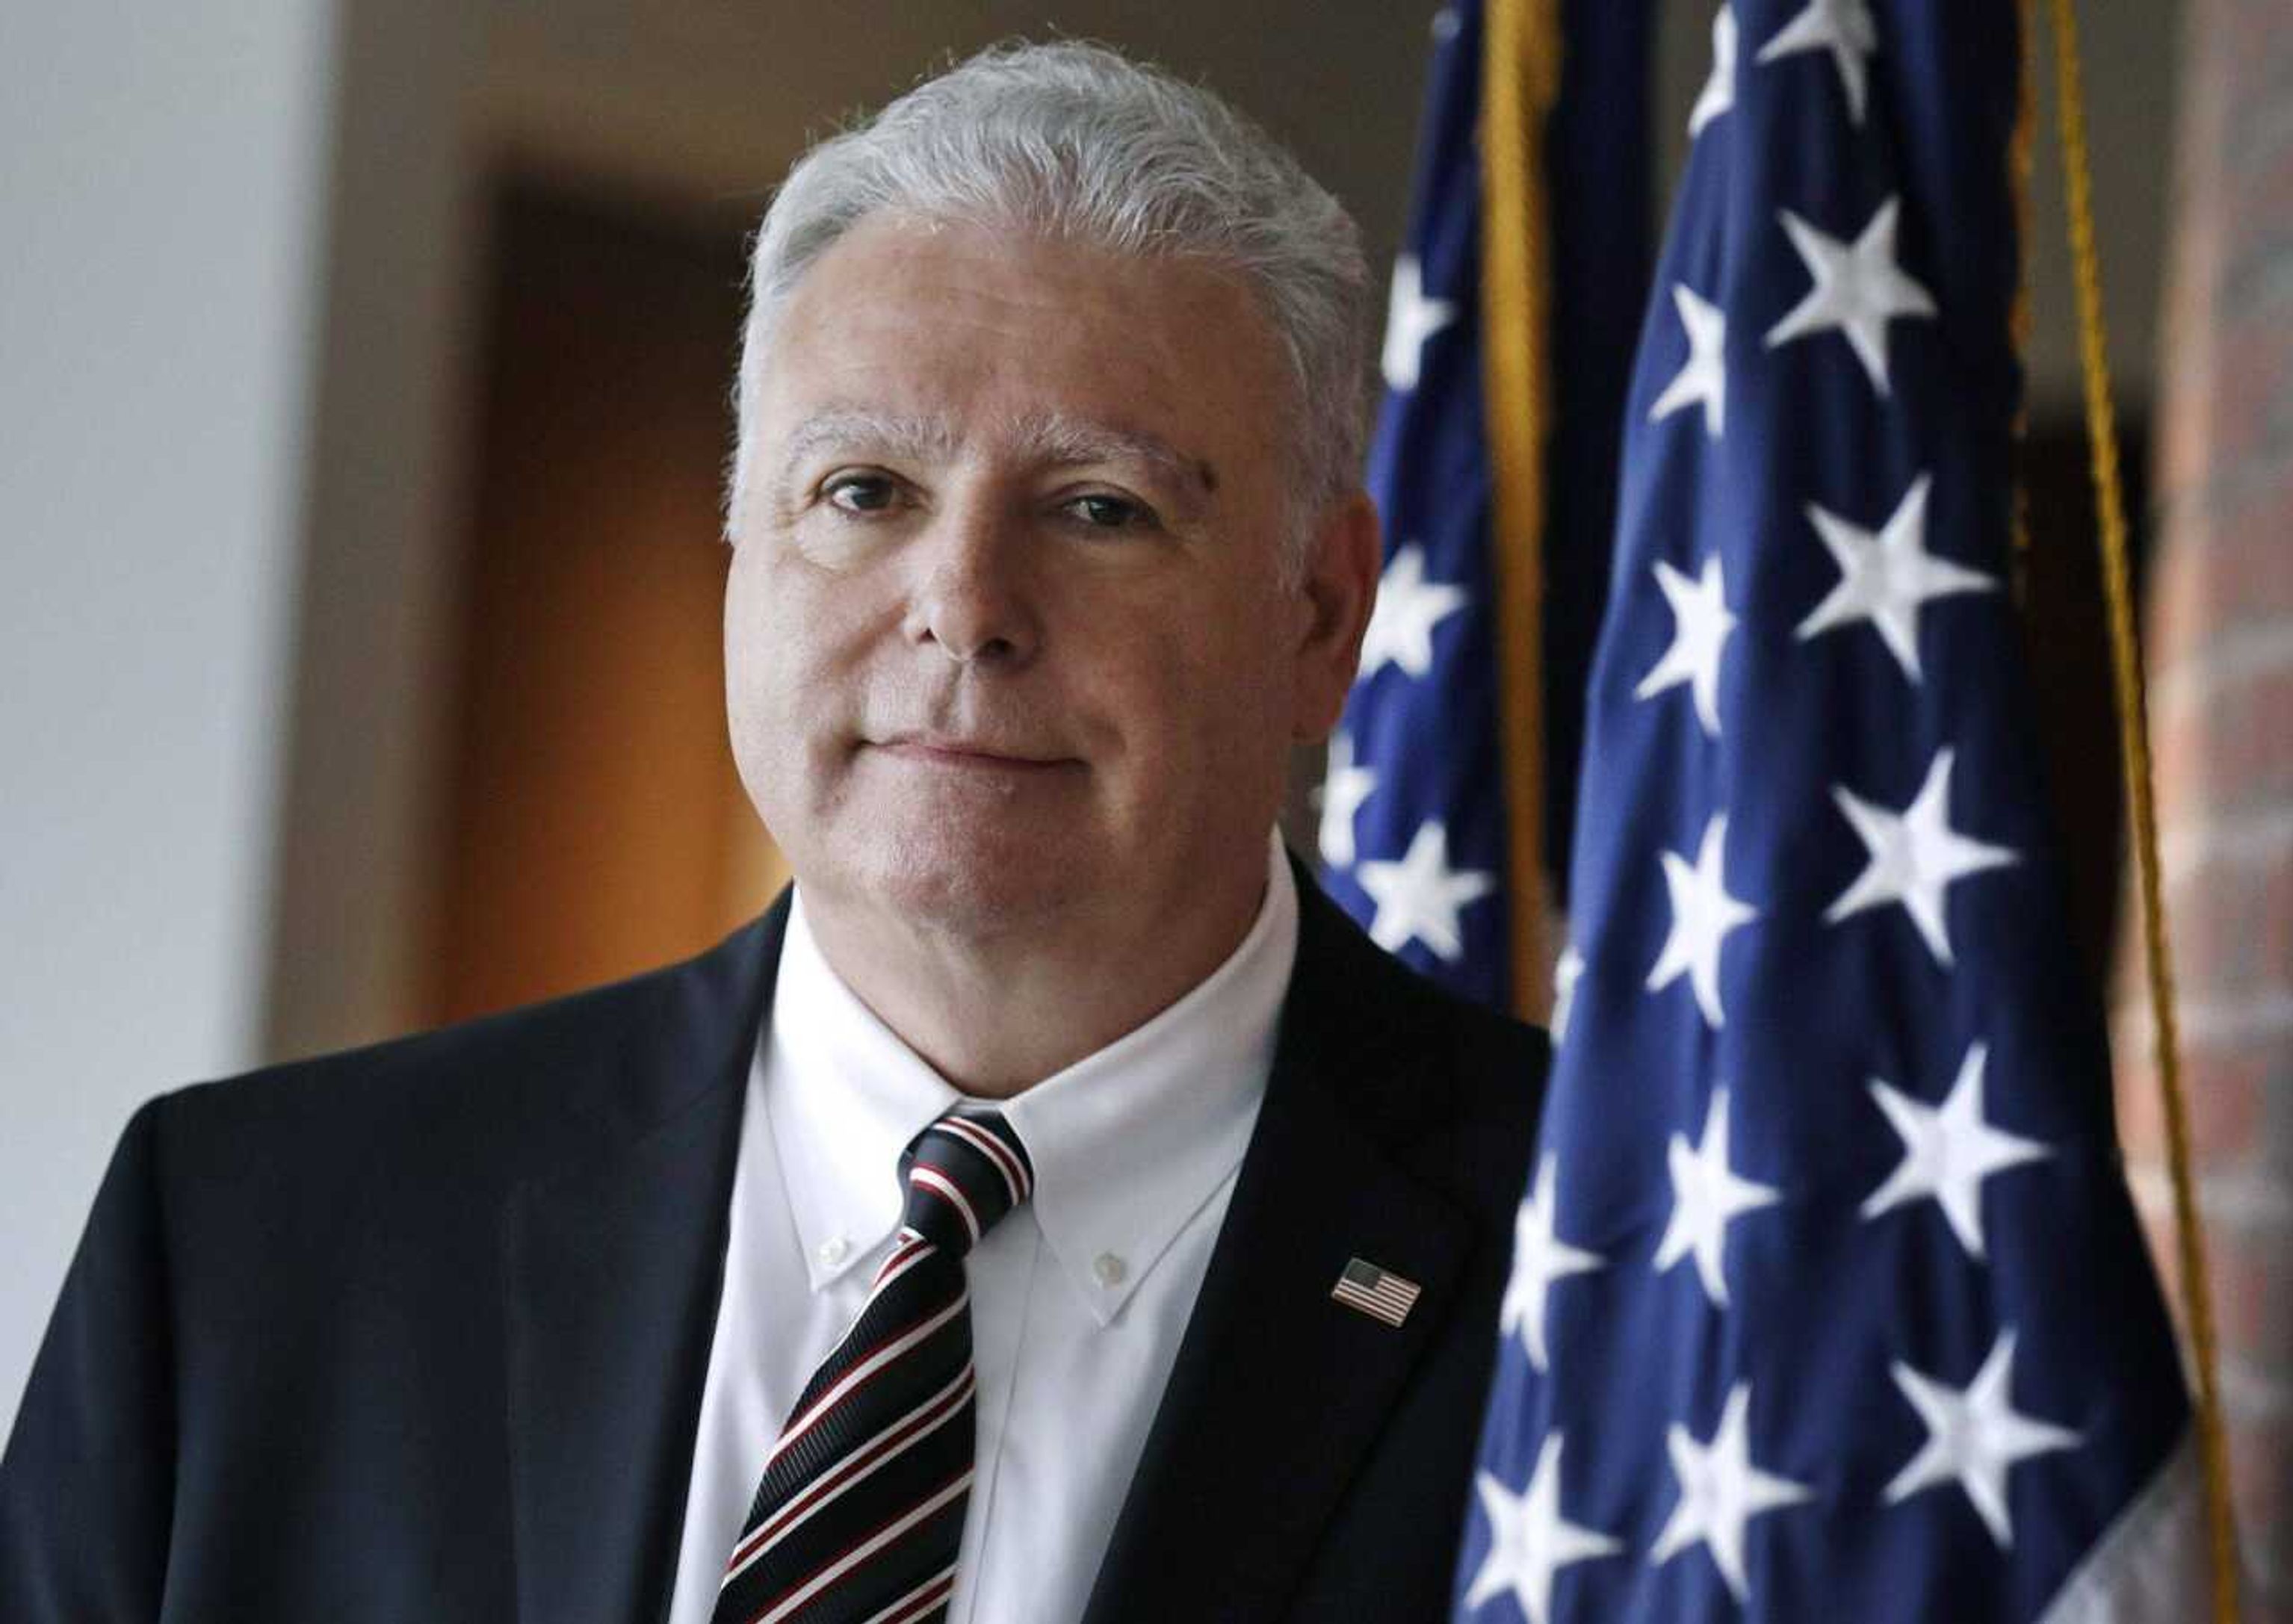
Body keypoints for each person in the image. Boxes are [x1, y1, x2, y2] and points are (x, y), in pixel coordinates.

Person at [0, 40, 1547, 1624]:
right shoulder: (250, 1251)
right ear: (740, 545)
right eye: (865, 490)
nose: (962, 609)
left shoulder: (1622, 1273)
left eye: (1099, 507)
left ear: (1319, 612)